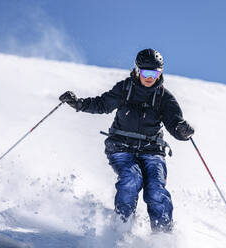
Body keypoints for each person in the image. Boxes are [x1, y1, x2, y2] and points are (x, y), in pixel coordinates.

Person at [59, 48, 194, 232]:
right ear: (137, 70)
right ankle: (121, 231)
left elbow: (175, 124)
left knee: (155, 189)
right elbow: (101, 104)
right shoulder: (125, 89)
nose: (150, 77)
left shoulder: (164, 98)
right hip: (121, 146)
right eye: (146, 72)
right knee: (131, 179)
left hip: (152, 150)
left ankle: (163, 237)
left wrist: (182, 130)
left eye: (155, 73)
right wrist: (79, 103)